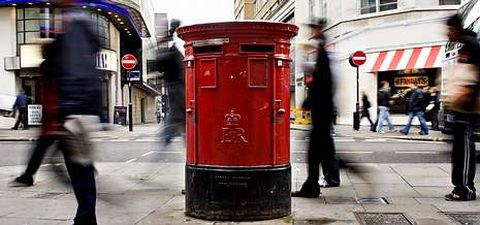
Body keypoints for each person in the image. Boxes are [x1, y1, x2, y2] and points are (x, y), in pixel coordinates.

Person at [292, 18, 340, 198]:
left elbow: (323, 82)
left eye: (312, 29)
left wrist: (309, 101)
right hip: (323, 109)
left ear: (319, 29)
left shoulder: (323, 50)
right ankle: (318, 183)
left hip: (322, 110)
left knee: (316, 151)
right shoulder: (321, 49)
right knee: (323, 149)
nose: (310, 32)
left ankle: (312, 187)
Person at [444, 14, 480, 201]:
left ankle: (466, 188)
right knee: (459, 148)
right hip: (462, 107)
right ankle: (460, 186)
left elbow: (471, 79)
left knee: (464, 148)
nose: (447, 34)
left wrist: (464, 102)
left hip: (467, 108)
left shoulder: (470, 45)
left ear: (456, 29)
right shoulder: (466, 44)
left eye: (449, 30)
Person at [157, 19, 186, 149]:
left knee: (178, 115)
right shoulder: (172, 53)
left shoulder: (170, 51)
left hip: (176, 87)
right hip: (177, 88)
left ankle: (167, 135)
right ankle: (167, 135)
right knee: (179, 114)